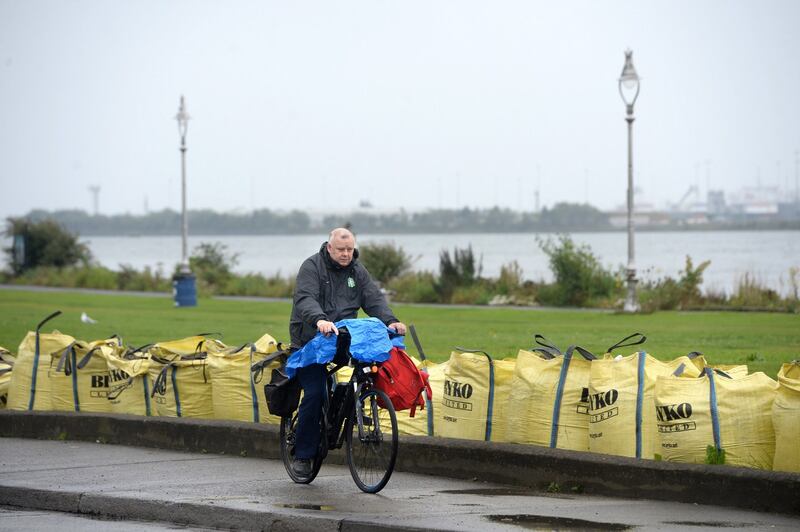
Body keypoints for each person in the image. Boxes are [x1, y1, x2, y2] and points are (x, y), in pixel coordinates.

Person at [288, 227, 406, 476]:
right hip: (311, 341)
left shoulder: (356, 270)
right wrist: (319, 320)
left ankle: (351, 410)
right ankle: (303, 454)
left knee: (368, 370)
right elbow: (305, 299)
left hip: (343, 339)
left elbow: (373, 298)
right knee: (316, 392)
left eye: (349, 249)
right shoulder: (312, 267)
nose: (345, 254)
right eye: (340, 249)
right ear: (329, 247)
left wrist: (390, 321)